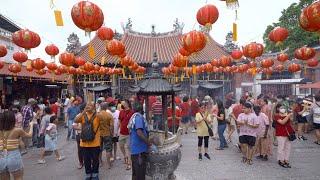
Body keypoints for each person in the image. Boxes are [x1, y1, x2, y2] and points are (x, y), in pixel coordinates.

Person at [0, 110, 34, 180]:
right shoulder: (17, 130)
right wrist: (31, 125)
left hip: (1, 156)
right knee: (18, 177)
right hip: (13, 156)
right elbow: (29, 135)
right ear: (13, 120)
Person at [75, 102, 101, 180]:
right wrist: (83, 111)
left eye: (90, 106)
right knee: (86, 160)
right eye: (87, 106)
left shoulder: (97, 115)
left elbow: (102, 118)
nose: (88, 107)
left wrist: (95, 110)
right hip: (84, 143)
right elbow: (76, 120)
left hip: (95, 143)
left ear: (93, 107)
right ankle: (88, 173)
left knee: (95, 160)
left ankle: (95, 174)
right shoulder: (83, 115)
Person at [128, 101, 151, 180]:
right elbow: (139, 132)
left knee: (136, 174)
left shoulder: (134, 116)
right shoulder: (138, 118)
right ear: (142, 109)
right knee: (140, 175)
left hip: (135, 151)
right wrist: (149, 143)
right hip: (139, 152)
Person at [118, 100, 134, 170]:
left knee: (128, 148)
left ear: (127, 104)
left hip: (129, 133)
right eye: (122, 103)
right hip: (122, 132)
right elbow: (119, 120)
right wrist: (118, 128)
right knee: (121, 145)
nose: (123, 104)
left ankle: (129, 164)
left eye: (124, 103)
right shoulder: (121, 112)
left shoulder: (132, 112)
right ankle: (125, 156)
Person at [99, 102, 114, 169]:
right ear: (106, 107)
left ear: (101, 107)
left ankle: (100, 162)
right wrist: (112, 133)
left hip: (99, 134)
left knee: (99, 149)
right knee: (108, 149)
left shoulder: (97, 115)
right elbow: (111, 126)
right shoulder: (109, 115)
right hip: (107, 134)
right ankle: (109, 164)